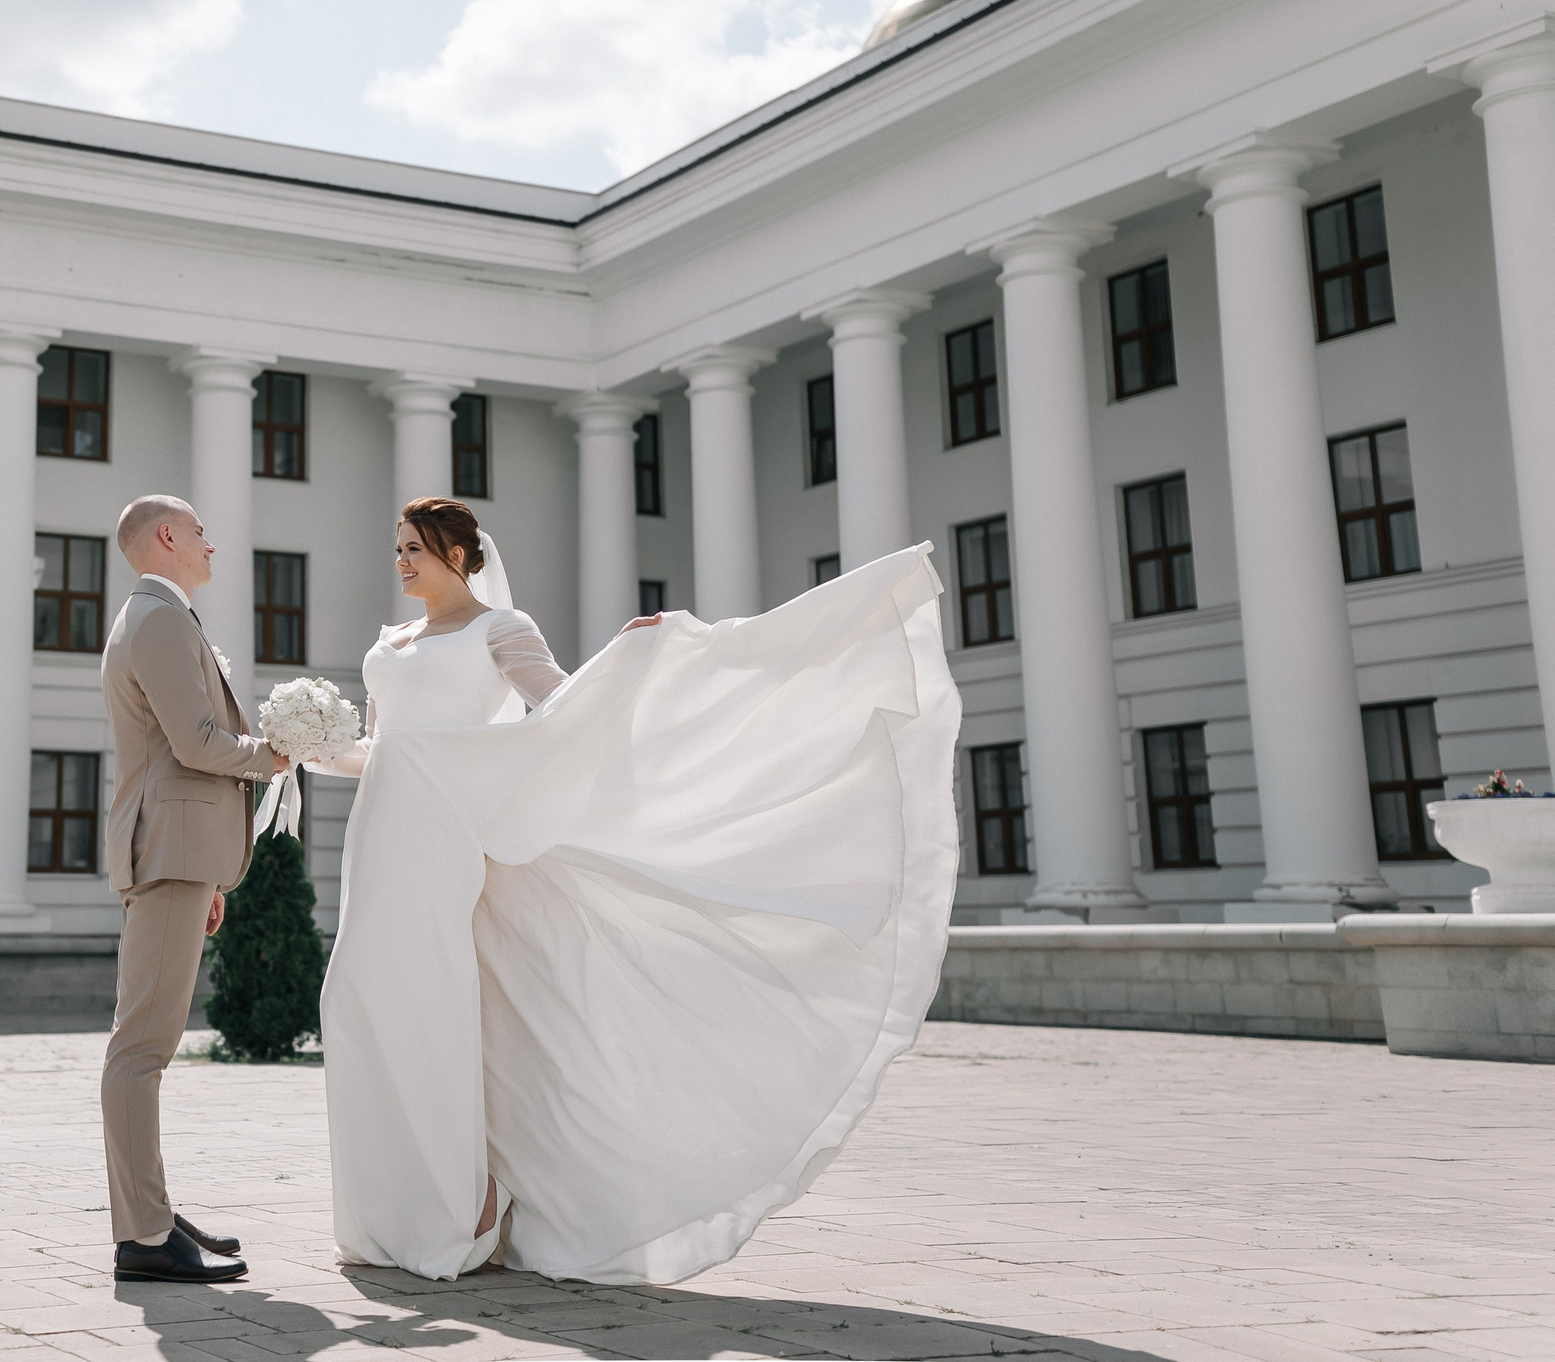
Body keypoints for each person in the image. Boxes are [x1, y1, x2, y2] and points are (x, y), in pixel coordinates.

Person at [310, 497, 961, 1284]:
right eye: (399, 547)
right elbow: (381, 749)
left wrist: (623, 660)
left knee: (430, 1009)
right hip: (384, 839)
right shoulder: (392, 643)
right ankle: (394, 1214)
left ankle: (468, 1207)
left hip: (449, 838)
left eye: (416, 547)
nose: (402, 560)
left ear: (460, 555)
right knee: (358, 1002)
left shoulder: (500, 631)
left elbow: (562, 710)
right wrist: (309, 748)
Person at [98, 493, 291, 1284]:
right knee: (142, 1048)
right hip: (170, 852)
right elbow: (198, 742)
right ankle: (144, 1235)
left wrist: (212, 869)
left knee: (143, 1045)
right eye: (202, 533)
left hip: (181, 856)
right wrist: (275, 753)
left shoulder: (152, 615)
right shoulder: (160, 617)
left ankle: (151, 1212)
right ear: (167, 537)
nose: (212, 546)